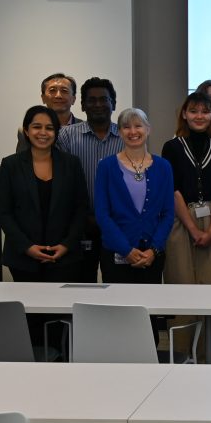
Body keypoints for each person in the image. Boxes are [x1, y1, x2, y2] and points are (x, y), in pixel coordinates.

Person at [161, 93, 211, 356]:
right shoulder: (172, 147)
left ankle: (206, 355)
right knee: (182, 290)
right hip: (180, 220)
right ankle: (181, 356)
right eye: (194, 111)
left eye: (205, 111)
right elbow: (173, 190)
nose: (199, 116)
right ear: (185, 115)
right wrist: (193, 228)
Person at [0, 105, 88, 282]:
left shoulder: (71, 163)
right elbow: (3, 212)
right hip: (23, 258)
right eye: (37, 127)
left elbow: (81, 208)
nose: (43, 133)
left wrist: (66, 245)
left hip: (65, 258)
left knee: (62, 308)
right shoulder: (10, 165)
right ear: (26, 130)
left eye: (49, 128)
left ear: (56, 132)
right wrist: (27, 247)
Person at [94, 108, 174, 284]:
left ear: (148, 129)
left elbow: (168, 214)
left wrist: (154, 249)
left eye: (138, 126)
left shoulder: (163, 167)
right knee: (116, 309)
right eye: (126, 127)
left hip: (152, 255)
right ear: (119, 131)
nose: (133, 132)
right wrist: (126, 250)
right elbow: (102, 214)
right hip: (115, 253)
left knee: (149, 308)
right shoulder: (106, 167)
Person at [57, 77, 124, 282]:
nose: (98, 104)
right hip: (80, 225)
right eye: (91, 100)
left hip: (117, 224)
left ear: (113, 103)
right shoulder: (66, 136)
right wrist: (82, 218)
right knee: (80, 286)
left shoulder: (126, 137)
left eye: (104, 99)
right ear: (83, 105)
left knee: (118, 286)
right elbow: (63, 184)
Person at [16, 73, 82, 152]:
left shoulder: (87, 130)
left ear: (73, 99)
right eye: (52, 90)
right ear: (43, 98)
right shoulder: (27, 131)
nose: (58, 96)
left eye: (64, 91)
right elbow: (21, 162)